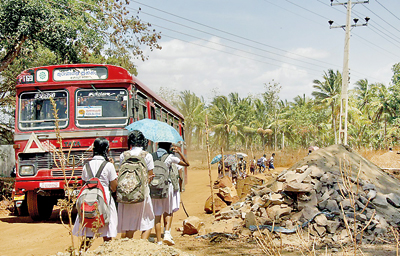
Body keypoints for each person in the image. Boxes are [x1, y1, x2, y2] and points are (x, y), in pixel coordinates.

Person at [72, 137, 118, 249]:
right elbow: (114, 187)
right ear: (106, 150)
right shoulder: (109, 166)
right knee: (106, 234)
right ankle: (106, 252)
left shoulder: (86, 165)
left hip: (89, 200)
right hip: (104, 200)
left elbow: (83, 184)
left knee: (88, 235)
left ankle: (82, 252)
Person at [117, 130, 155, 240]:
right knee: (148, 222)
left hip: (126, 194)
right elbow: (150, 176)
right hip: (142, 194)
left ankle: (129, 247)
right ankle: (141, 246)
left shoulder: (123, 155)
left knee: (129, 225)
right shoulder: (147, 156)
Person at [152, 142, 189, 246]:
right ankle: (167, 234)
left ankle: (159, 241)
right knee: (168, 211)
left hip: (154, 187)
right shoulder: (170, 157)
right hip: (167, 187)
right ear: (169, 147)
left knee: (157, 214)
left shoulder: (151, 156)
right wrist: (179, 152)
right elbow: (187, 164)